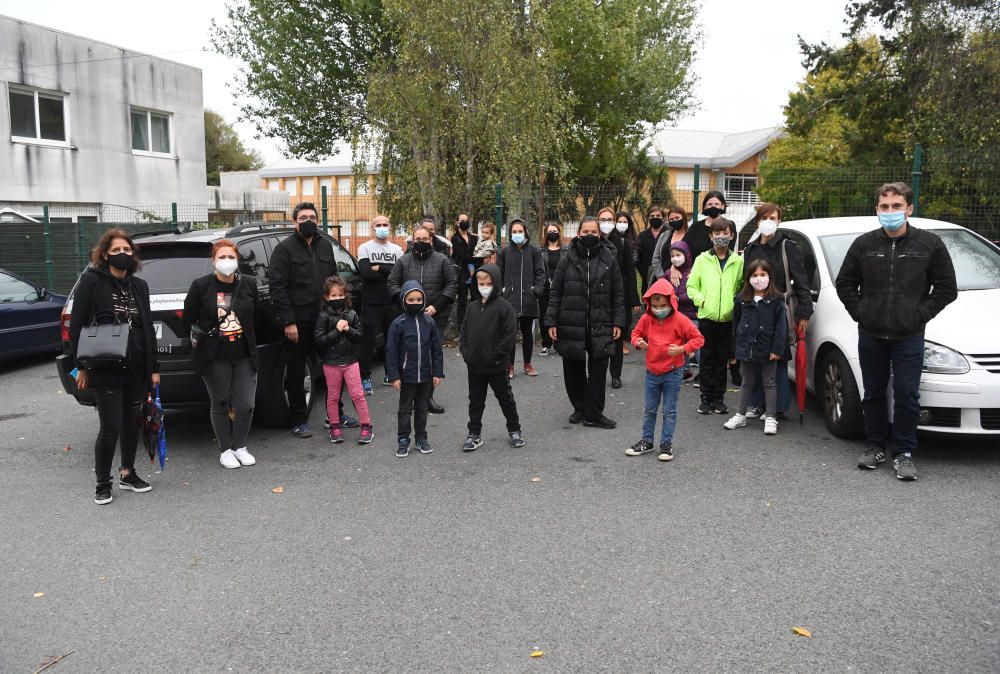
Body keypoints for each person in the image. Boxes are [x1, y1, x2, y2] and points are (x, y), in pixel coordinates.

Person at [835, 182, 957, 481]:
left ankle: (903, 452)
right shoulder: (864, 245)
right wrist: (861, 312)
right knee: (873, 392)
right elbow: (845, 284)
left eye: (896, 206)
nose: (891, 212)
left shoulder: (929, 245)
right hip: (871, 333)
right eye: (885, 207)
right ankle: (875, 445)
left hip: (909, 336)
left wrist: (919, 315)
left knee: (906, 395)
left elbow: (946, 289)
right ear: (877, 209)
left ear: (909, 209)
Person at [69, 229, 159, 504]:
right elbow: (76, 327)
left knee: (132, 421)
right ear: (105, 254)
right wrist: (81, 366)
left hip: (136, 364)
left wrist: (153, 369)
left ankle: (127, 472)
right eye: (117, 250)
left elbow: (147, 328)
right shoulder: (91, 282)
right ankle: (102, 482)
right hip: (105, 365)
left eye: (127, 250)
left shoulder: (139, 286)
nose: (123, 255)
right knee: (111, 426)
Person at [269, 202, 349, 438]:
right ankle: (299, 420)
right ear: (295, 222)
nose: (308, 221)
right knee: (296, 371)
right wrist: (288, 321)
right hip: (299, 321)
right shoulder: (284, 250)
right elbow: (278, 287)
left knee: (335, 367)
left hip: (325, 319)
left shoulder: (325, 245)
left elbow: (334, 281)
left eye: (312, 217)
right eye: (303, 217)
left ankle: (335, 415)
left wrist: (337, 312)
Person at [183, 239, 260, 469]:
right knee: (221, 401)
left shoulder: (248, 284)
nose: (227, 261)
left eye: (231, 257)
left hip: (244, 354)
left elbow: (256, 316)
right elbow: (188, 319)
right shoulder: (201, 286)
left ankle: (241, 446)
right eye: (222, 257)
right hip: (215, 356)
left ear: (238, 260)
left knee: (246, 403)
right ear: (213, 261)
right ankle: (225, 450)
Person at [544, 215, 625, 429]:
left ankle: (594, 414)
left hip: (601, 323)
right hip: (571, 322)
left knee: (599, 370)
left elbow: (618, 294)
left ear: (600, 234)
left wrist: (618, 322)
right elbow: (556, 292)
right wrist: (551, 321)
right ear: (578, 233)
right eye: (585, 231)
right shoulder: (566, 259)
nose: (589, 235)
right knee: (573, 369)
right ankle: (579, 408)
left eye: (594, 232)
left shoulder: (609, 259)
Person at [740, 203, 814, 418]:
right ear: (757, 222)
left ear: (779, 221)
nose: (769, 221)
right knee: (754, 354)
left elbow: (802, 282)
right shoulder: (751, 249)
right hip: (753, 307)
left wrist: (804, 313)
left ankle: (778, 407)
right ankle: (757, 403)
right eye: (765, 217)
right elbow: (746, 281)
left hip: (778, 309)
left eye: (773, 217)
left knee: (777, 356)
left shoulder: (788, 247)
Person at [627, 278, 704, 461]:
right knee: (650, 410)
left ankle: (666, 444)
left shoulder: (680, 320)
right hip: (652, 372)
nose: (658, 309)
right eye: (654, 305)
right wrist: (638, 342)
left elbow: (698, 339)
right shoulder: (647, 318)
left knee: (669, 411)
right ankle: (647, 441)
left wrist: (682, 349)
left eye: (662, 305)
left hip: (673, 372)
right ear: (649, 304)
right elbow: (635, 334)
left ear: (671, 302)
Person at [387, 224, 457, 414]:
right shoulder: (403, 261)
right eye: (417, 239)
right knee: (408, 356)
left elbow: (451, 284)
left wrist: (437, 306)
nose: (421, 242)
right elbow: (392, 283)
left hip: (435, 316)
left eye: (425, 239)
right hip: (408, 318)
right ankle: (409, 397)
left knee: (431, 355)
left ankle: (427, 398)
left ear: (431, 239)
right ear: (412, 240)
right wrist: (405, 304)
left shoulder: (443, 260)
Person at [459, 265, 525, 451]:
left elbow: (509, 337)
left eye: (489, 283)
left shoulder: (504, 307)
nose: (485, 286)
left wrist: (496, 356)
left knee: (505, 398)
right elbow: (464, 332)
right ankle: (474, 434)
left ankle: (514, 430)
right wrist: (466, 353)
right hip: (475, 365)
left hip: (496, 365)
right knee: (475, 401)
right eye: (481, 283)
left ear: (496, 283)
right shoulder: (472, 307)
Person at [723, 259, 787, 436]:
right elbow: (736, 323)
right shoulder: (742, 299)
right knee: (747, 381)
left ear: (769, 277)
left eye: (763, 275)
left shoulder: (777, 300)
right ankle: (740, 415)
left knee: (770, 382)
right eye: (755, 275)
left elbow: (781, 327)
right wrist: (737, 347)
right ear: (748, 278)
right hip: (746, 348)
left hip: (768, 348)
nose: (759, 279)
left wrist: (777, 349)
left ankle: (771, 417)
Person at [687, 218, 744, 415]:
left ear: (732, 235)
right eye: (717, 233)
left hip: (727, 320)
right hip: (707, 318)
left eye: (725, 233)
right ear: (711, 236)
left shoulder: (738, 262)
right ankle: (705, 398)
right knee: (707, 360)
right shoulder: (702, 260)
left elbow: (740, 286)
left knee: (722, 360)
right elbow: (691, 286)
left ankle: (719, 398)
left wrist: (733, 304)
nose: (721, 237)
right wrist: (701, 300)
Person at [385, 281, 444, 458]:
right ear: (404, 300)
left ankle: (421, 438)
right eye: (411, 299)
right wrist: (394, 376)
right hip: (407, 376)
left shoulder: (429, 322)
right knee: (404, 409)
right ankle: (403, 439)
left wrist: (437, 372)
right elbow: (391, 351)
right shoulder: (398, 324)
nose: (416, 302)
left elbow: (436, 350)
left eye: (419, 299)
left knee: (422, 407)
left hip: (426, 375)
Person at [315, 277, 373, 445]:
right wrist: (336, 330)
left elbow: (359, 337)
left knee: (358, 395)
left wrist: (348, 330)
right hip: (331, 363)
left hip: (350, 362)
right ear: (327, 297)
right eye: (333, 295)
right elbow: (320, 340)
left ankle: (366, 426)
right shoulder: (323, 316)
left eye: (340, 294)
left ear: (345, 295)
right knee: (332, 397)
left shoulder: (352, 314)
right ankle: (334, 427)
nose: (337, 298)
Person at [357, 214, 404, 392]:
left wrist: (379, 267)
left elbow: (399, 274)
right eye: (379, 224)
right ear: (372, 228)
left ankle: (390, 374)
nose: (382, 227)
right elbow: (366, 273)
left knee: (391, 340)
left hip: (392, 301)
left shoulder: (397, 249)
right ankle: (365, 378)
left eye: (385, 224)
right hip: (371, 302)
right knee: (367, 341)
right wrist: (387, 272)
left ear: (389, 227)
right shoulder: (365, 248)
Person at [497, 218, 546, 378]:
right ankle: (509, 366)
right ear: (510, 234)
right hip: (509, 299)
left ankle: (527, 364)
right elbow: (498, 274)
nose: (517, 234)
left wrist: (536, 290)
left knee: (528, 334)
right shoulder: (504, 252)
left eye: (520, 231)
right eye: (514, 232)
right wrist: (502, 291)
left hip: (529, 299)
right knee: (509, 334)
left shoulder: (534, 251)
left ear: (525, 232)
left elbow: (540, 272)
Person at [601, 209, 640, 387]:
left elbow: (630, 273)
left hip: (619, 296)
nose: (606, 222)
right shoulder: (592, 242)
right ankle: (598, 373)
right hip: (598, 297)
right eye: (603, 219)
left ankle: (615, 374)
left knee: (617, 336)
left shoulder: (623, 243)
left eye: (610, 219)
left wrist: (634, 299)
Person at [667, 240, 698, 381]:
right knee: (679, 342)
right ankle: (685, 369)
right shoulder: (669, 273)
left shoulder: (695, 273)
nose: (675, 258)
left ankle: (702, 370)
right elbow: (663, 287)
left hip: (692, 314)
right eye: (672, 256)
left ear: (686, 255)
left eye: (678, 255)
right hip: (676, 314)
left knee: (695, 343)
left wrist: (682, 298)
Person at [683, 191, 736, 262]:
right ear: (705, 207)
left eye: (716, 204)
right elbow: (683, 245)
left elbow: (729, 249)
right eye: (710, 204)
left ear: (722, 206)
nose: (713, 206)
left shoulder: (729, 226)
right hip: (698, 269)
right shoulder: (696, 227)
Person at [538, 222, 565, 356]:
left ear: (559, 233)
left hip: (562, 288)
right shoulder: (540, 251)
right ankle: (546, 344)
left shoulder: (566, 250)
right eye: (550, 231)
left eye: (555, 231)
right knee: (544, 315)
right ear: (546, 234)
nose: (553, 233)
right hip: (545, 288)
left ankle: (559, 343)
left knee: (561, 315)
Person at [450, 212, 480, 335]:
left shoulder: (474, 237)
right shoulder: (455, 238)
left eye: (466, 220)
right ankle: (462, 329)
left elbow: (479, 249)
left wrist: (478, 258)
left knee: (475, 300)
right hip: (461, 272)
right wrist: (479, 258)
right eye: (462, 220)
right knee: (462, 302)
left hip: (474, 273)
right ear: (457, 222)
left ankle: (474, 326)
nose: (464, 222)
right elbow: (462, 256)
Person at [648, 205, 690, 285]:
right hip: (663, 280)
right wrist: (662, 277)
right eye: (671, 219)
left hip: (684, 281)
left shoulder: (690, 235)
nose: (674, 221)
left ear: (683, 218)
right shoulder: (664, 235)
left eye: (677, 218)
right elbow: (656, 258)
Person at [636, 204, 666, 294]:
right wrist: (643, 272)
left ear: (663, 218)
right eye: (652, 216)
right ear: (648, 218)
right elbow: (637, 256)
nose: (655, 218)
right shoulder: (642, 235)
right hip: (647, 276)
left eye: (658, 216)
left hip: (665, 275)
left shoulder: (668, 233)